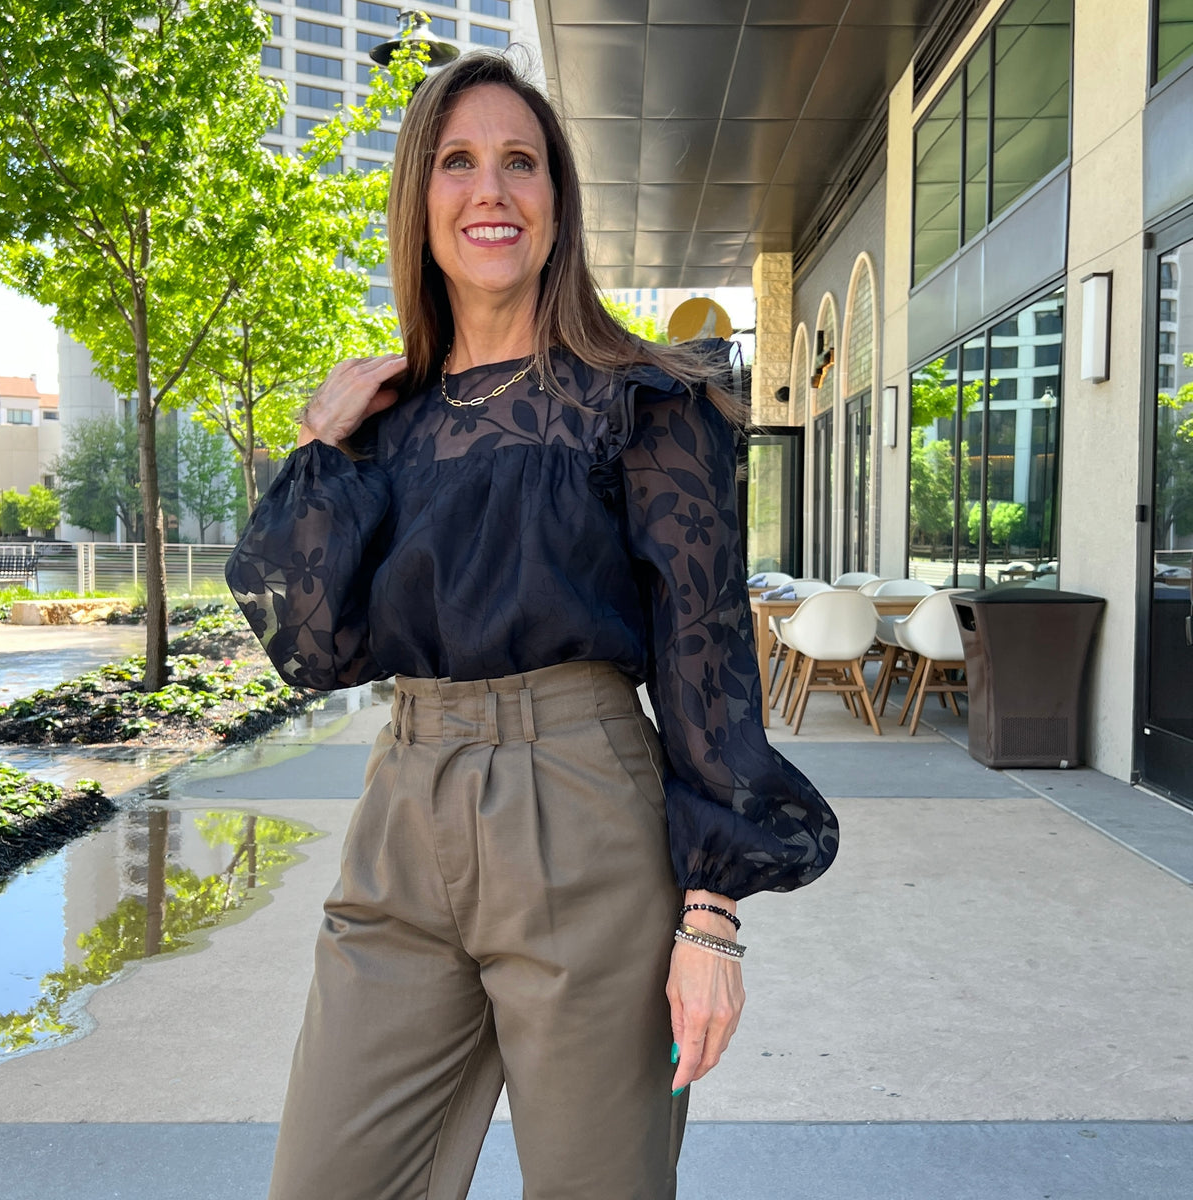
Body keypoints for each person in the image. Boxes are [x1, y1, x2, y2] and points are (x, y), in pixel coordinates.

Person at [226, 50, 838, 1200]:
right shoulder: (386, 422)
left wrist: (710, 917)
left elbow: (705, 655)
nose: (489, 190)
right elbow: (310, 644)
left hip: (585, 810)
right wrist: (322, 444)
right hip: (404, 815)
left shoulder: (648, 395)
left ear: (559, 201)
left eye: (521, 161)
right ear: (420, 198)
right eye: (457, 162)